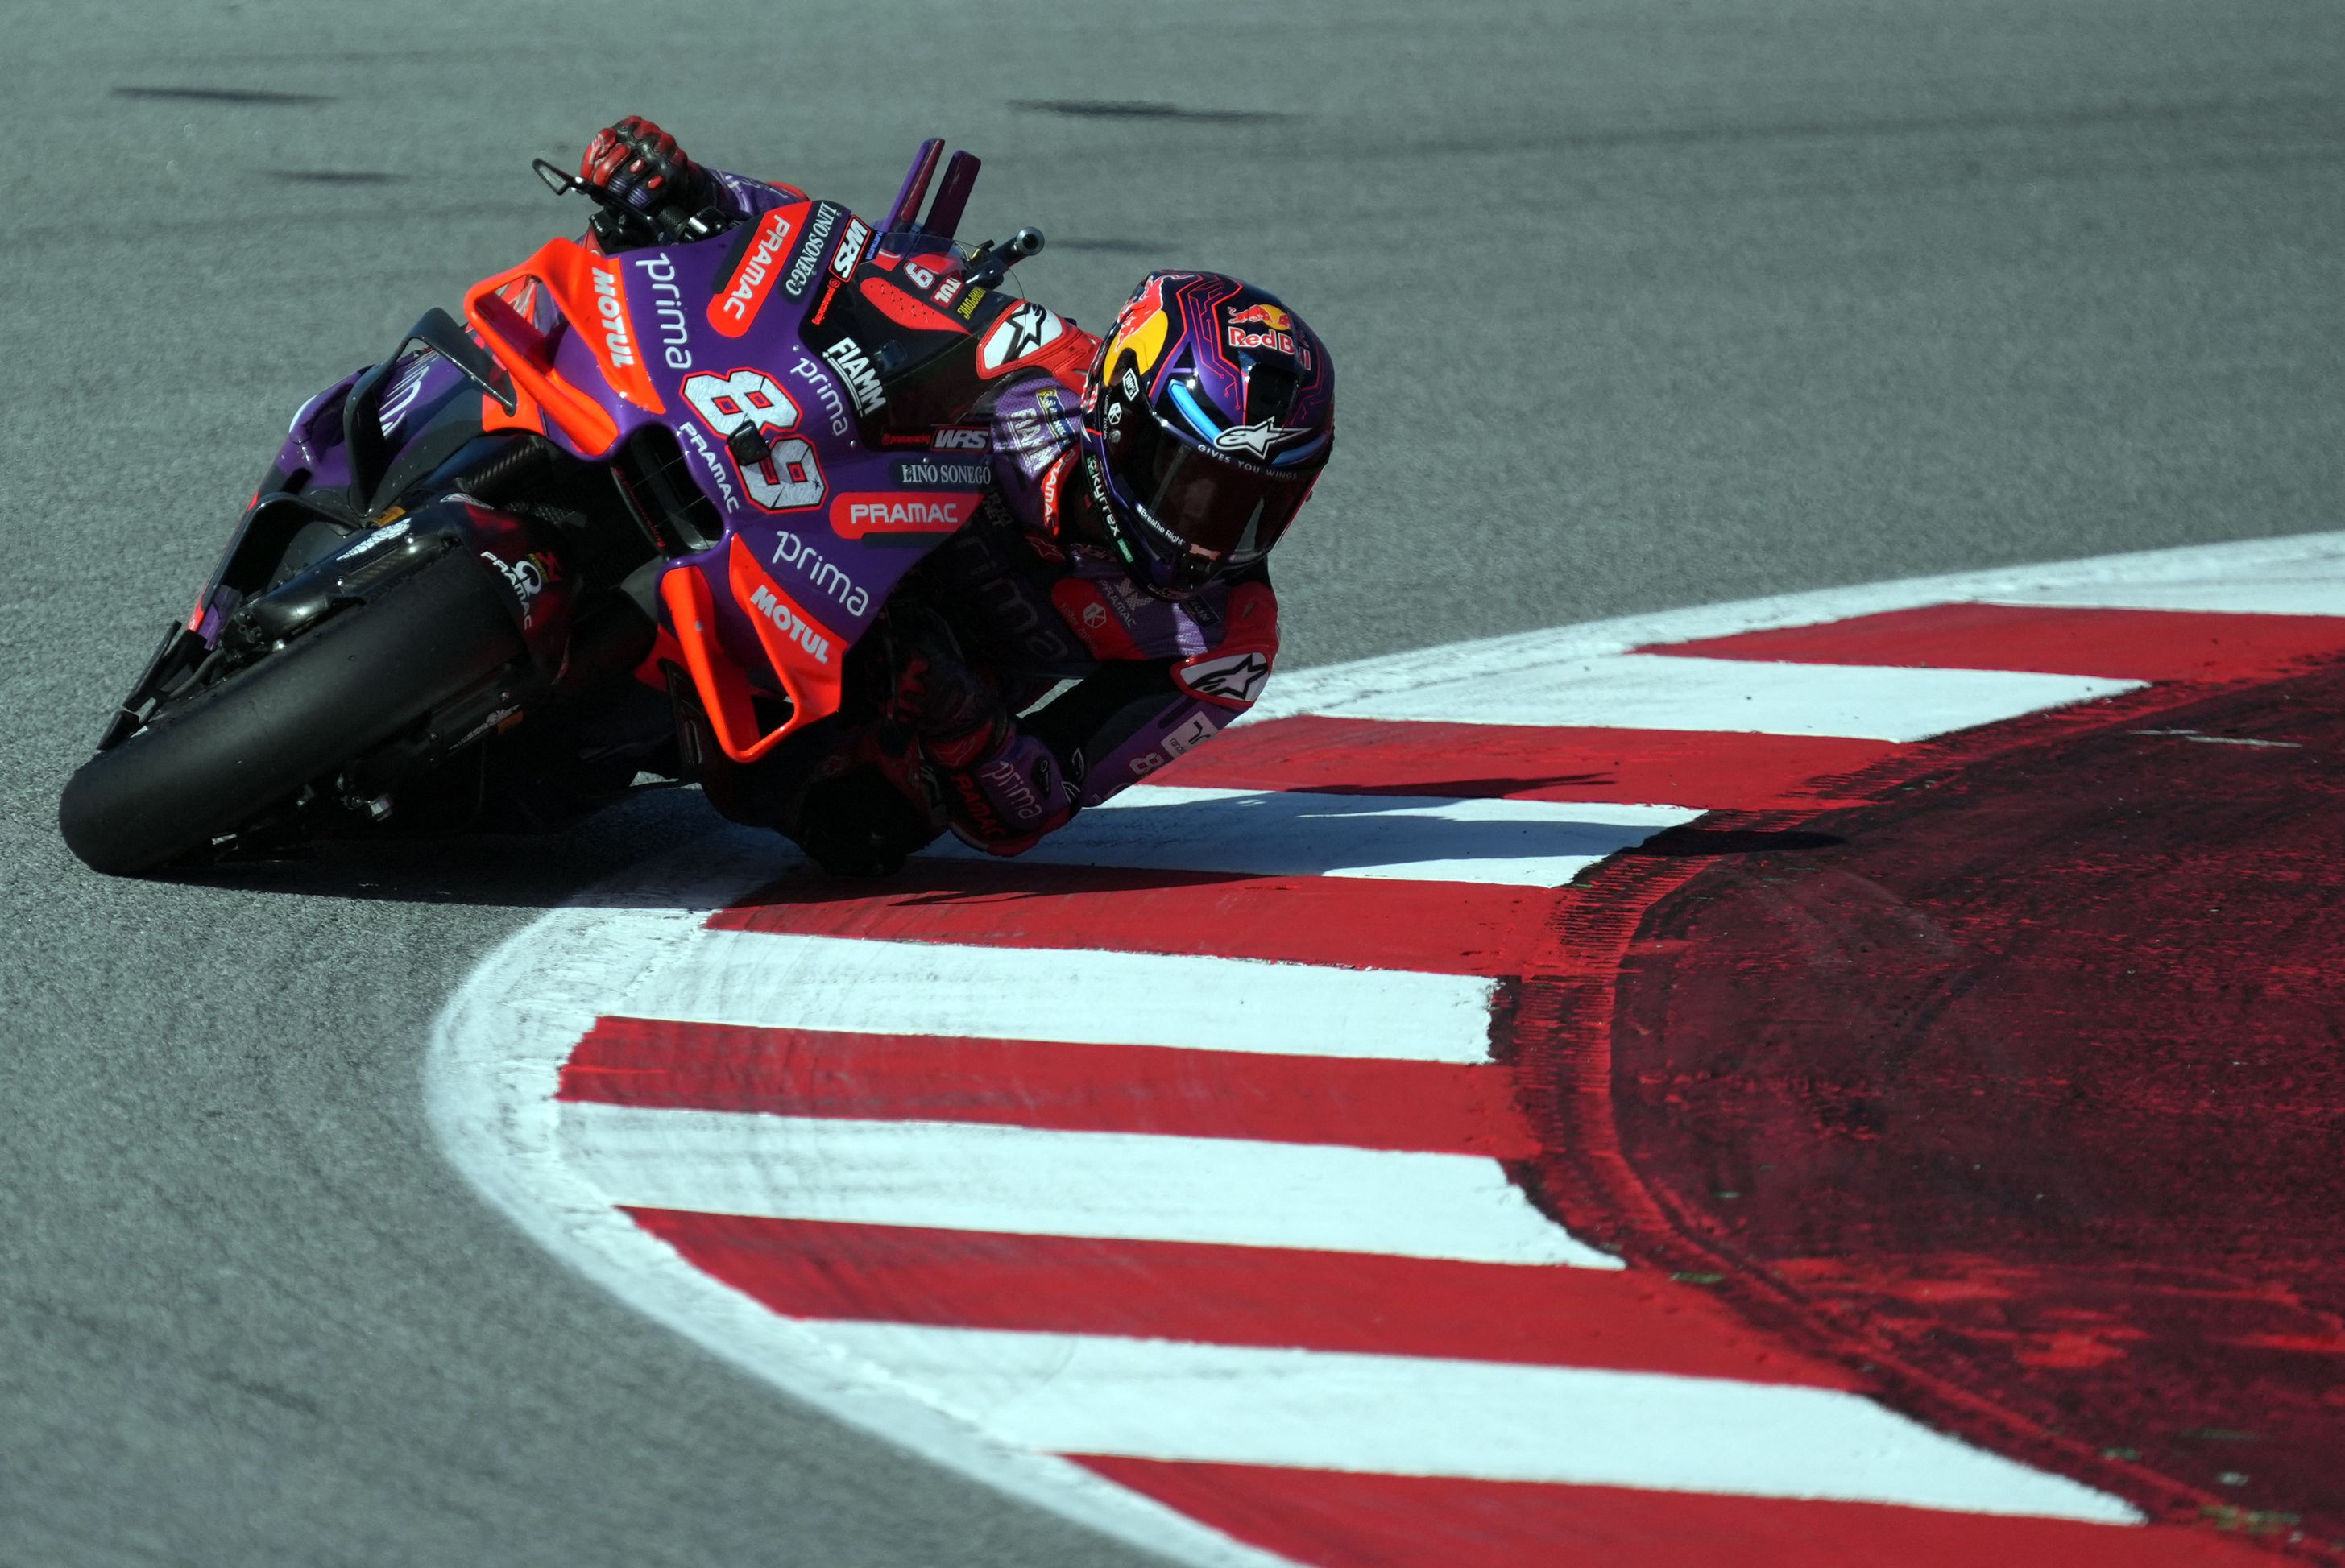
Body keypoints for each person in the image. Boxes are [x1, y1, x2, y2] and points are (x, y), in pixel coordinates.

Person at [581, 118, 1336, 875]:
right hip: (794, 514)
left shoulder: (1223, 638)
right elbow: (835, 251)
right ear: (1117, 414)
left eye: (1249, 505)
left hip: (879, 682)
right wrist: (697, 190)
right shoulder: (1035, 359)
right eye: (1191, 484)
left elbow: (1040, 804)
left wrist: (962, 720)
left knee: (866, 821)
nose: (1206, 531)